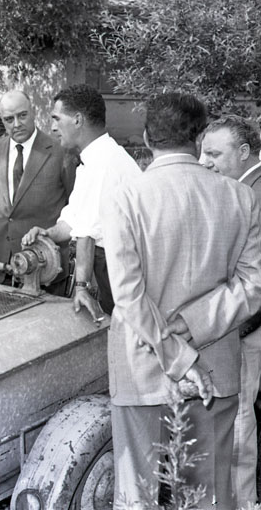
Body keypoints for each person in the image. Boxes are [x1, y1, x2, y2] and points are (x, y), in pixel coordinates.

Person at [101, 93, 261, 509]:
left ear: (146, 137)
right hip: (216, 365)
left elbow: (128, 296)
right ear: (199, 137)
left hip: (142, 366)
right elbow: (253, 283)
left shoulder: (124, 198)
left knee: (138, 497)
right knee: (209, 497)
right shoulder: (241, 197)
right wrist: (193, 324)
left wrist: (176, 354)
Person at [22, 85, 141, 316]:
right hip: (107, 270)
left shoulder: (105, 163)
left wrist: (81, 288)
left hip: (118, 273)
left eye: (57, 119)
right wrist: (47, 234)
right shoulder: (94, 159)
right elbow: (73, 222)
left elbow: (87, 234)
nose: (52, 127)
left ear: (77, 120)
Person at [200, 114, 261, 508]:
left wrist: (233, 327)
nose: (205, 162)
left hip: (243, 328)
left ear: (243, 152)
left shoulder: (252, 196)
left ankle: (242, 501)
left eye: (214, 154)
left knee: (238, 418)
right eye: (203, 153)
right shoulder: (243, 189)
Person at [0, 90, 76, 288]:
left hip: (45, 265)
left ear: (33, 112)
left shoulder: (60, 152)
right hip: (0, 264)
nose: (16, 124)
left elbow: (74, 207)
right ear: (1, 120)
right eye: (9, 119)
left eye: (22, 115)